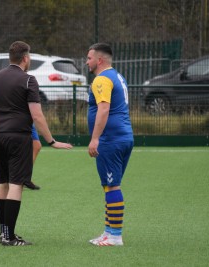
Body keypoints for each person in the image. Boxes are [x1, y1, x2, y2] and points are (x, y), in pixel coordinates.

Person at [0, 41, 73, 246]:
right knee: (16, 185)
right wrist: (51, 141)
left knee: (2, 183)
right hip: (18, 137)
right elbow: (37, 115)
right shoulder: (28, 80)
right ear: (25, 58)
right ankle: (9, 237)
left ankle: (3, 233)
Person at [86, 43, 134, 246]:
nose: (86, 62)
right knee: (108, 185)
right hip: (122, 137)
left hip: (110, 139)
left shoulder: (102, 79)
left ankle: (115, 236)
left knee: (113, 185)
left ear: (99, 60)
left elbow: (103, 109)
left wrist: (95, 138)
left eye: (89, 58)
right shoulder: (117, 76)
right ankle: (108, 232)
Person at [23, 124, 41, 190]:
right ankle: (22, 179)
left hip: (28, 119)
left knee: (37, 146)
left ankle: (24, 178)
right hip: (21, 118)